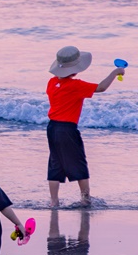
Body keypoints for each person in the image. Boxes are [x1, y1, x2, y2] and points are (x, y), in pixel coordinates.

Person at [45, 45, 125, 207]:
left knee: (55, 162)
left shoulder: (52, 83)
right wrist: (115, 72)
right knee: (78, 162)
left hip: (52, 128)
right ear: (75, 70)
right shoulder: (75, 86)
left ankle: (54, 201)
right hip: (67, 129)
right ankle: (85, 198)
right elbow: (101, 88)